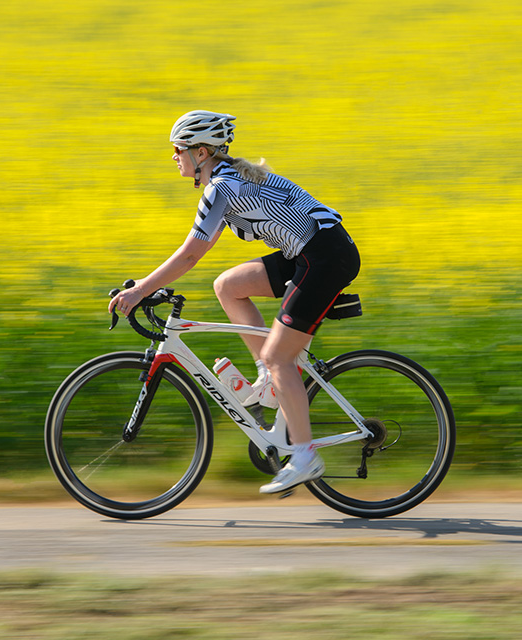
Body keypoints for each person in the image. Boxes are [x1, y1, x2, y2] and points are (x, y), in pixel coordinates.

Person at [108, 110, 361, 494]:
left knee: (281, 357)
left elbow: (191, 254)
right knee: (228, 285)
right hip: (309, 252)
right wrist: (148, 285)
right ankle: (270, 381)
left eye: (179, 149)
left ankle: (305, 455)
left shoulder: (221, 189)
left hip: (324, 258)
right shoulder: (228, 179)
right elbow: (197, 257)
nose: (174, 156)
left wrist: (140, 289)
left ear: (202, 152)